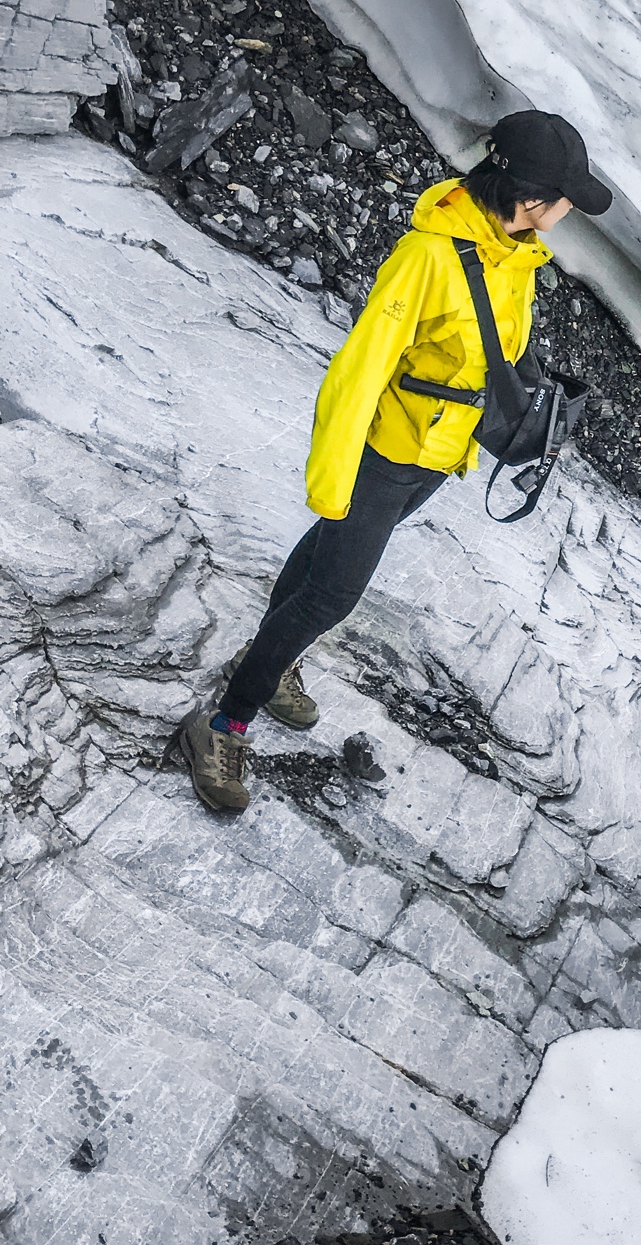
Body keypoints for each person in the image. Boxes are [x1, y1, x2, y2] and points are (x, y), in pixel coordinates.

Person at [180, 108, 613, 816]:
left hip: (436, 455)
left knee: (327, 554)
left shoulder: (516, 256)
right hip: (385, 452)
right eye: (567, 197)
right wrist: (332, 476)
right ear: (531, 198)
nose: (571, 210)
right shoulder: (428, 259)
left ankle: (268, 657)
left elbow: (496, 352)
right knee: (332, 595)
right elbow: (360, 369)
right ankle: (222, 724)